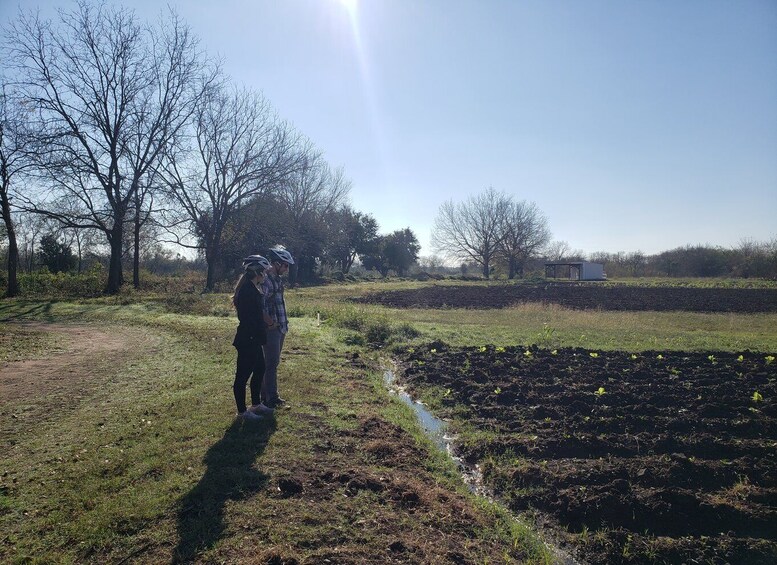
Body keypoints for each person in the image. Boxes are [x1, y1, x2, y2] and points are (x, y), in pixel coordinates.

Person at [232, 255, 275, 421]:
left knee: (259, 369)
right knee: (242, 376)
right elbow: (249, 317)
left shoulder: (253, 288)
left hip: (255, 338)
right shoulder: (247, 291)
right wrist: (262, 327)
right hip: (247, 339)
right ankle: (242, 412)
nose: (264, 274)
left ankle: (256, 404)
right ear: (256, 271)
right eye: (263, 271)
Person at [261, 245, 294, 408]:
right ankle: (271, 399)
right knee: (271, 364)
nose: (287, 269)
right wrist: (270, 324)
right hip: (272, 329)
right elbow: (260, 306)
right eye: (285, 265)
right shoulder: (266, 280)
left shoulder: (277, 280)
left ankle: (265, 396)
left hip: (280, 327)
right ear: (276, 264)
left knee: (272, 363)